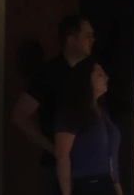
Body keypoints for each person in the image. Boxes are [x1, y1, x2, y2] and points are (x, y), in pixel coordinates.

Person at [52, 59, 125, 195]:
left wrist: (117, 189)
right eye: (99, 74)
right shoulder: (72, 112)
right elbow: (63, 154)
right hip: (83, 187)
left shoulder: (102, 111)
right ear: (86, 79)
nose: (105, 78)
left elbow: (111, 152)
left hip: (104, 186)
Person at [12, 14, 93, 169]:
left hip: (86, 164)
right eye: (87, 36)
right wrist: (53, 149)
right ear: (71, 40)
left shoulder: (86, 73)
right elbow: (19, 116)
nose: (93, 40)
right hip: (59, 166)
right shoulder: (49, 75)